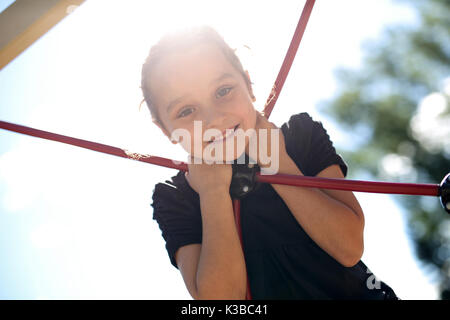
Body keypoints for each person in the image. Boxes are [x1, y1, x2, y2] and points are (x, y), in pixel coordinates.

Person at [141, 26, 399, 300]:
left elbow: (349, 247)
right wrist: (213, 193)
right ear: (165, 130)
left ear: (249, 86)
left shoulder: (300, 135)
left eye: (223, 91)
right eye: (186, 111)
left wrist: (279, 164)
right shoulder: (175, 195)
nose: (213, 118)